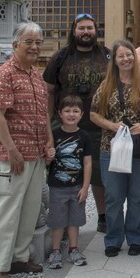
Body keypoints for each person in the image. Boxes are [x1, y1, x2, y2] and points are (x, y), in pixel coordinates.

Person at [0, 22, 52, 278]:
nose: (34, 46)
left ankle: (19, 257)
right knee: (8, 210)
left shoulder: (35, 74)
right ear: (15, 45)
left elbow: (43, 113)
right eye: (28, 42)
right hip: (11, 156)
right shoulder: (4, 74)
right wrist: (11, 149)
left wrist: (49, 140)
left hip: (35, 154)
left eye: (38, 42)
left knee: (30, 209)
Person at [43, 13, 110, 233]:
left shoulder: (106, 55)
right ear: (74, 31)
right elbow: (50, 90)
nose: (86, 32)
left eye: (90, 28)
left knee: (99, 174)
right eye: (81, 28)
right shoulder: (60, 57)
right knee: (63, 173)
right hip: (66, 125)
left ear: (96, 31)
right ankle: (60, 221)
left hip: (99, 125)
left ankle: (103, 216)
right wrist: (49, 121)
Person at [90, 39, 140, 257]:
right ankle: (114, 239)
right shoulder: (106, 85)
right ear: (115, 60)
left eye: (129, 55)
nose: (126, 59)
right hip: (112, 147)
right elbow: (93, 114)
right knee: (114, 196)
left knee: (137, 195)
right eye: (121, 56)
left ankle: (135, 237)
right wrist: (112, 126)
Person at [45, 96, 93, 269]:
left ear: (81, 114)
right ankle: (55, 250)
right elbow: (47, 162)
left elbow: (87, 163)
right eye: (67, 111)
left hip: (77, 186)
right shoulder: (54, 134)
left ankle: (73, 248)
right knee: (57, 220)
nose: (71, 114)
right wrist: (49, 158)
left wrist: (86, 186)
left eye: (75, 111)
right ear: (60, 113)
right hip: (57, 186)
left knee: (75, 220)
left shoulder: (84, 136)